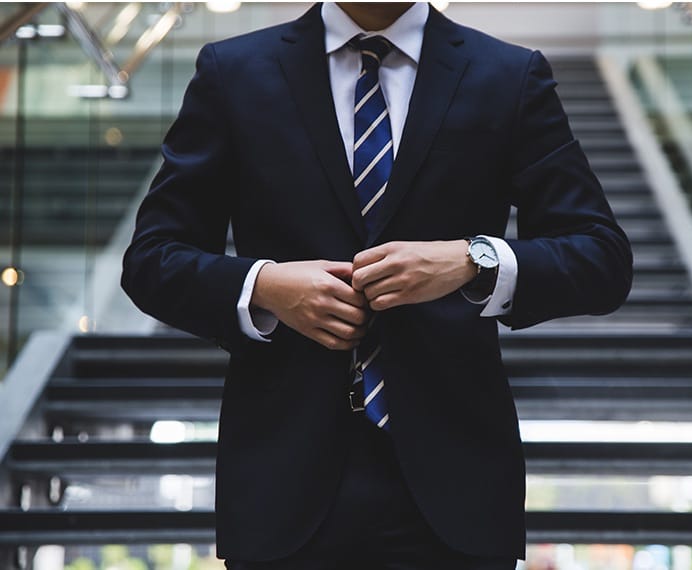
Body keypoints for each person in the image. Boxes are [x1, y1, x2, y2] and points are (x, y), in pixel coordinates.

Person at [121, 3, 632, 569]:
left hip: (455, 487)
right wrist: (263, 285)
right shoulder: (234, 70)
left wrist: (474, 259)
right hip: (281, 481)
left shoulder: (508, 74)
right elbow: (151, 259)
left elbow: (601, 257)